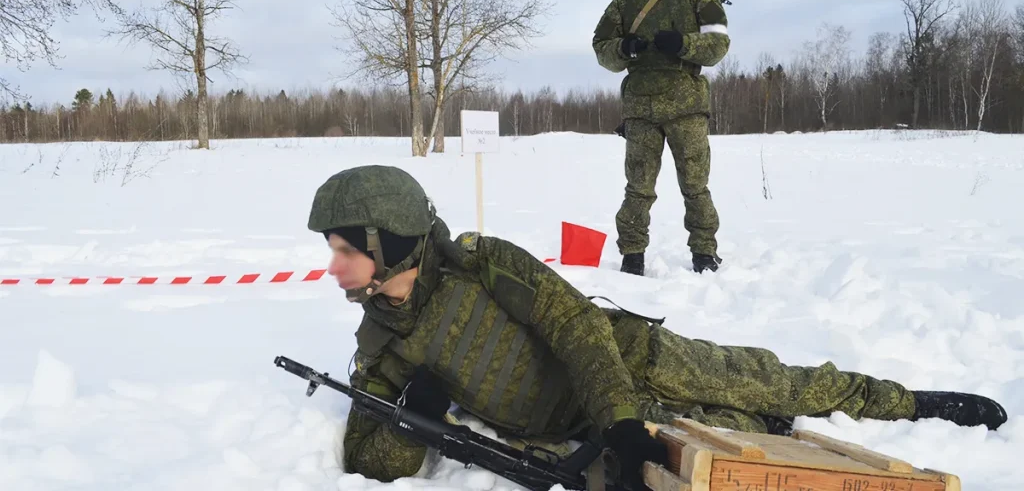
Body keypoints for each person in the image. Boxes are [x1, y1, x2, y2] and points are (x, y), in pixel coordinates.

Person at [308, 165, 1008, 491]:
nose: (334, 266)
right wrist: (407, 423)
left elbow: (575, 326)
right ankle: (780, 426)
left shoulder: (482, 265)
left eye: (346, 249)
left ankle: (907, 403)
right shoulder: (383, 343)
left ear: (393, 240)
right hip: (583, 430)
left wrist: (617, 417)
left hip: (628, 361)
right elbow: (364, 458)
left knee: (775, 381)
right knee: (734, 438)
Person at [592, 0, 729, 276]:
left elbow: (717, 45)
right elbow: (601, 48)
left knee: (695, 185)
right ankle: (632, 255)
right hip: (640, 107)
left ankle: (704, 252)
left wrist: (684, 44)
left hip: (686, 105)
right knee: (637, 187)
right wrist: (625, 47)